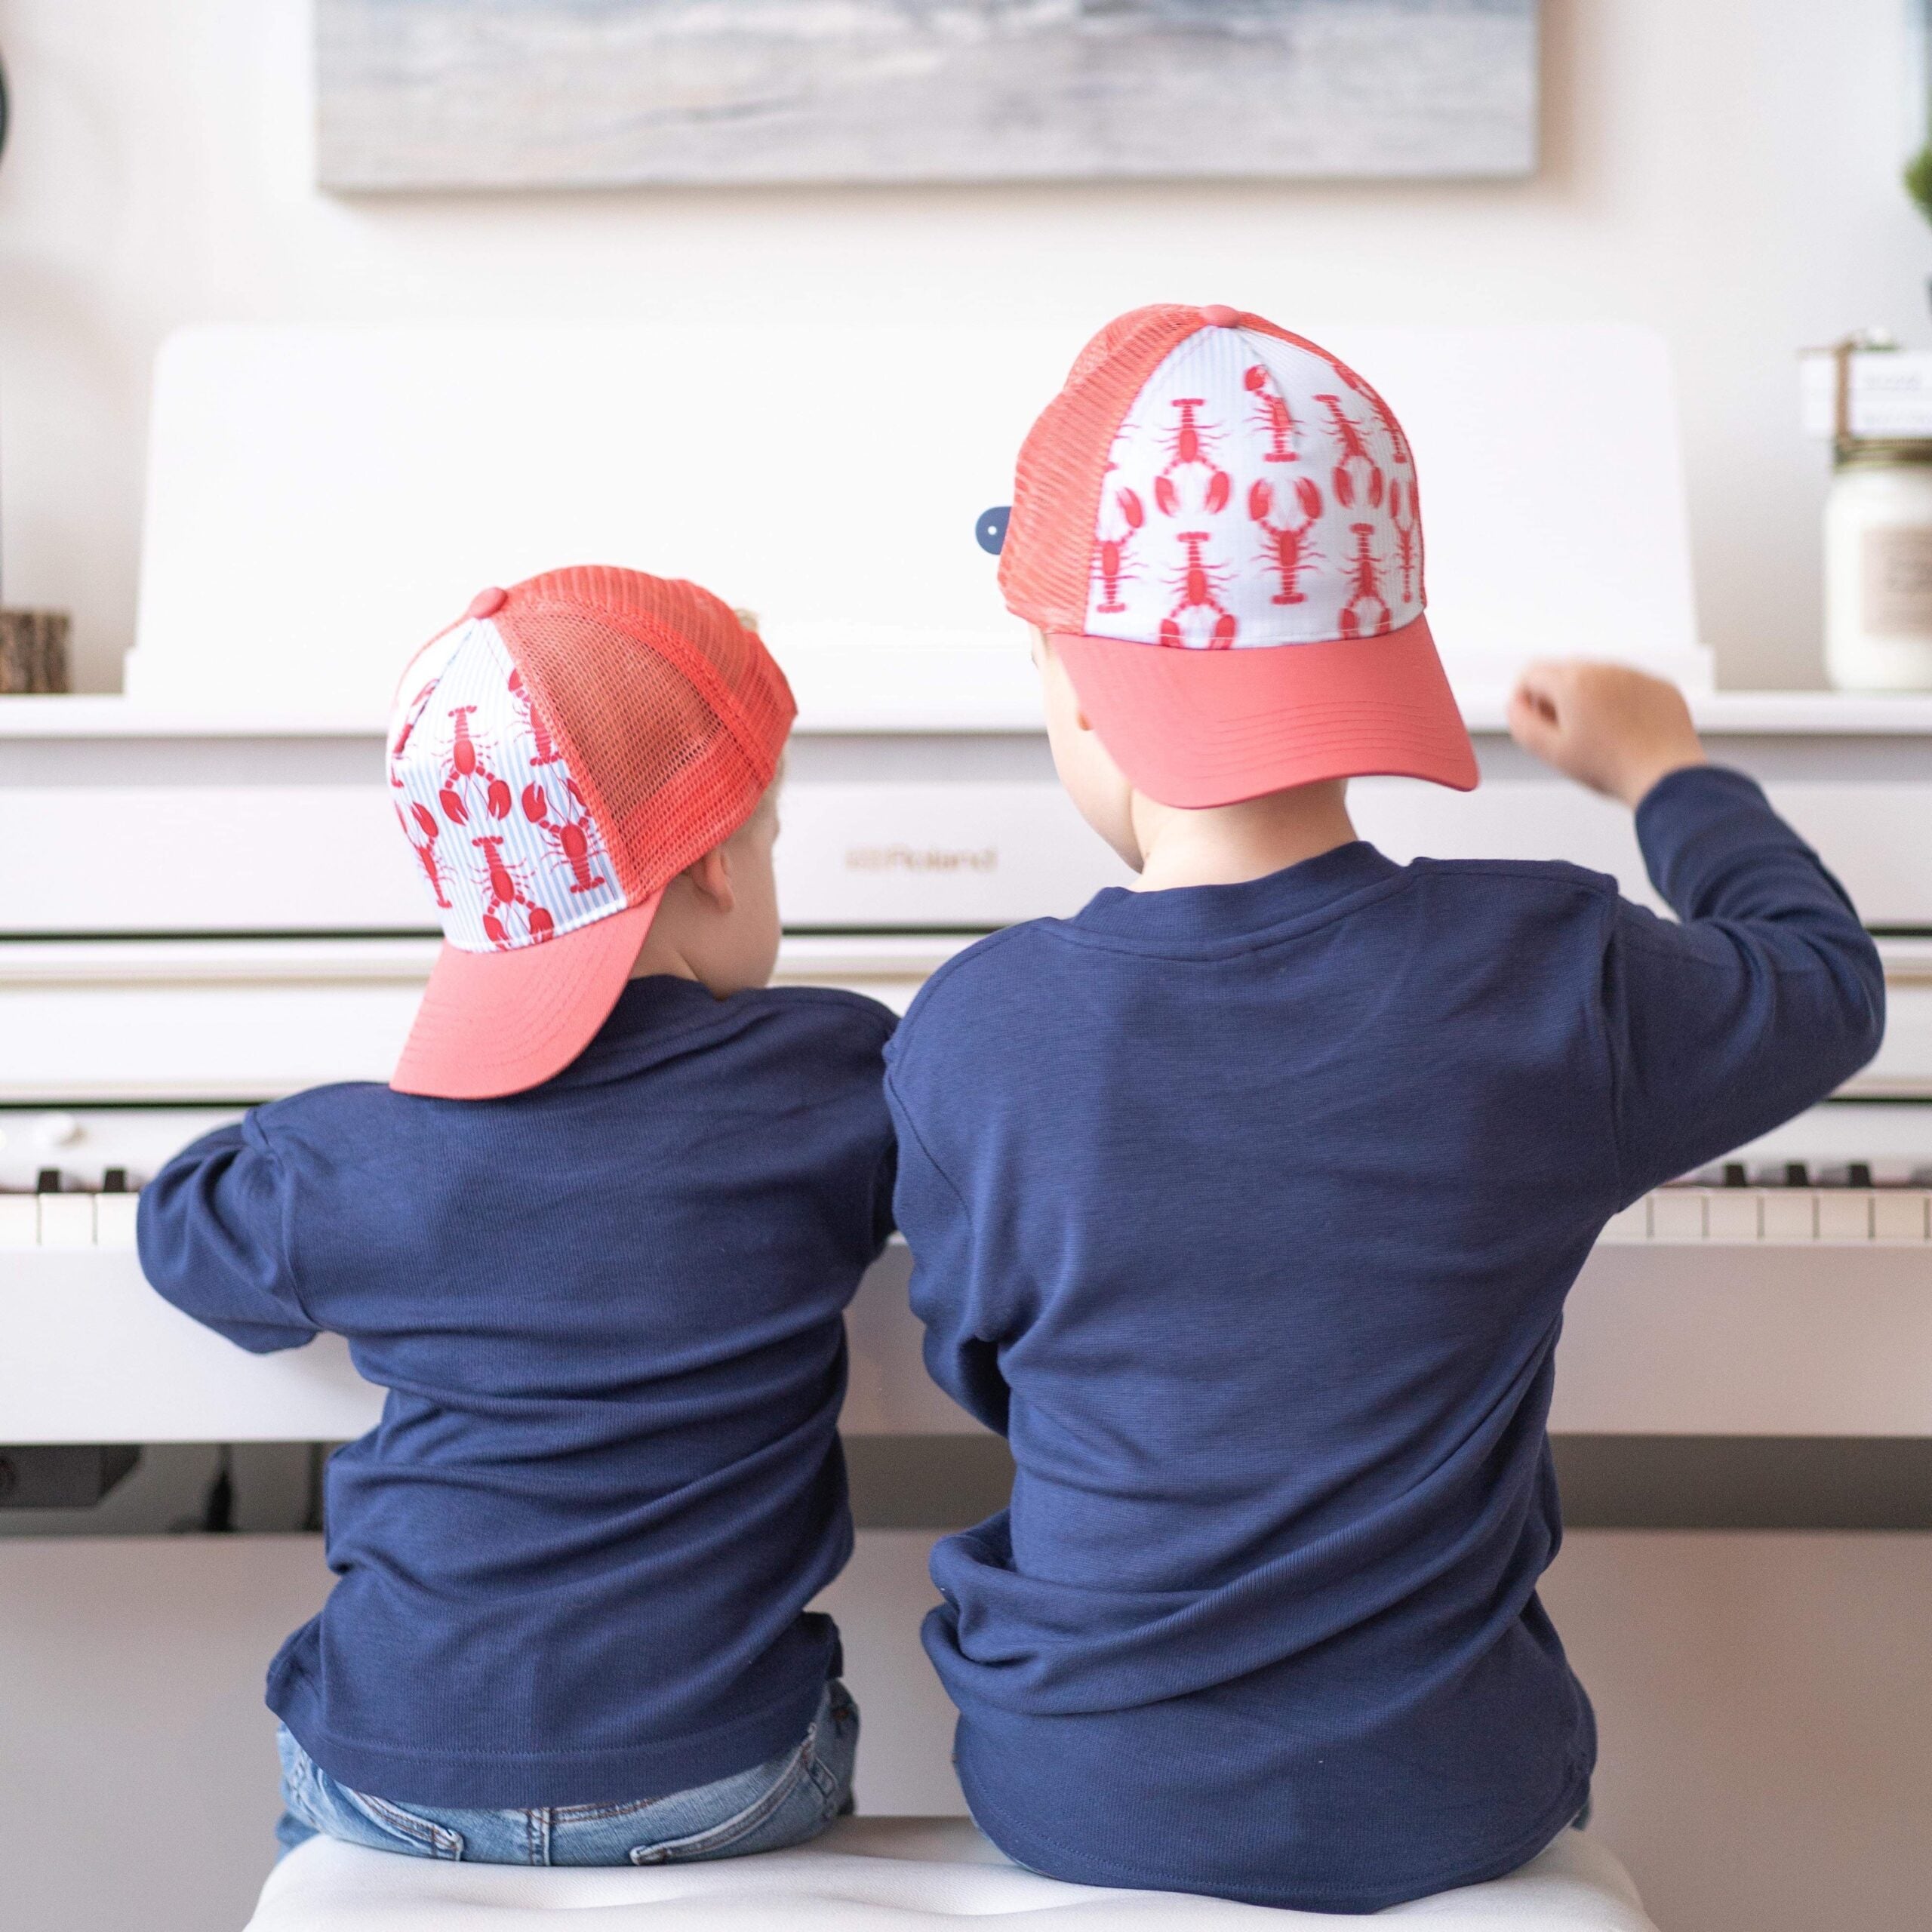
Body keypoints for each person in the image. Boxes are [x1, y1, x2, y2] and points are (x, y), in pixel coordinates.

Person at [883, 304, 1884, 1912]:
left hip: (1076, 1790)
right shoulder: (1550, 968)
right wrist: (1665, 771)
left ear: (1079, 686)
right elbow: (1822, 981)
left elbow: (975, 1361)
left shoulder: (975, 1029)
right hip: (1445, 1800)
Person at [139, 567, 895, 1866]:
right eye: (768, 842)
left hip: (402, 1779)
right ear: (719, 863)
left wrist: (310, 1128)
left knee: (332, 1745)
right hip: (721, 1783)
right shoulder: (829, 1078)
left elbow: (181, 1226)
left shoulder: (351, 1161)